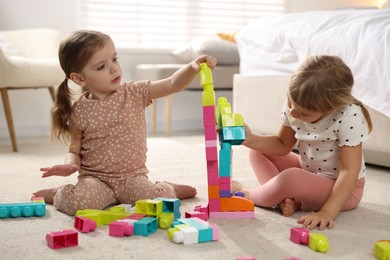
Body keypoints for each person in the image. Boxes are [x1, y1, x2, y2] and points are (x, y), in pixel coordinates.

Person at [33, 30, 217, 216]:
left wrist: (192, 67)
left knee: (160, 201)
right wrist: (70, 165)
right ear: (79, 79)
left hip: (132, 178)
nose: (114, 68)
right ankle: (58, 193)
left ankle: (170, 188)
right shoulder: (79, 111)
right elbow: (74, 150)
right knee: (77, 204)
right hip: (96, 180)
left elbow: (172, 84)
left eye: (114, 59)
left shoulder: (134, 92)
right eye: (101, 66)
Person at [233, 55, 372, 230]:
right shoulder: (297, 103)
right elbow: (282, 144)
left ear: (332, 108)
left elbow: (349, 172)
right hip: (308, 170)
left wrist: (327, 212)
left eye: (304, 113)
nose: (293, 112)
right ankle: (284, 198)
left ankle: (250, 194)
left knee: (292, 177)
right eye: (291, 103)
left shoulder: (349, 116)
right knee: (257, 151)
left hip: (344, 189)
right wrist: (251, 139)